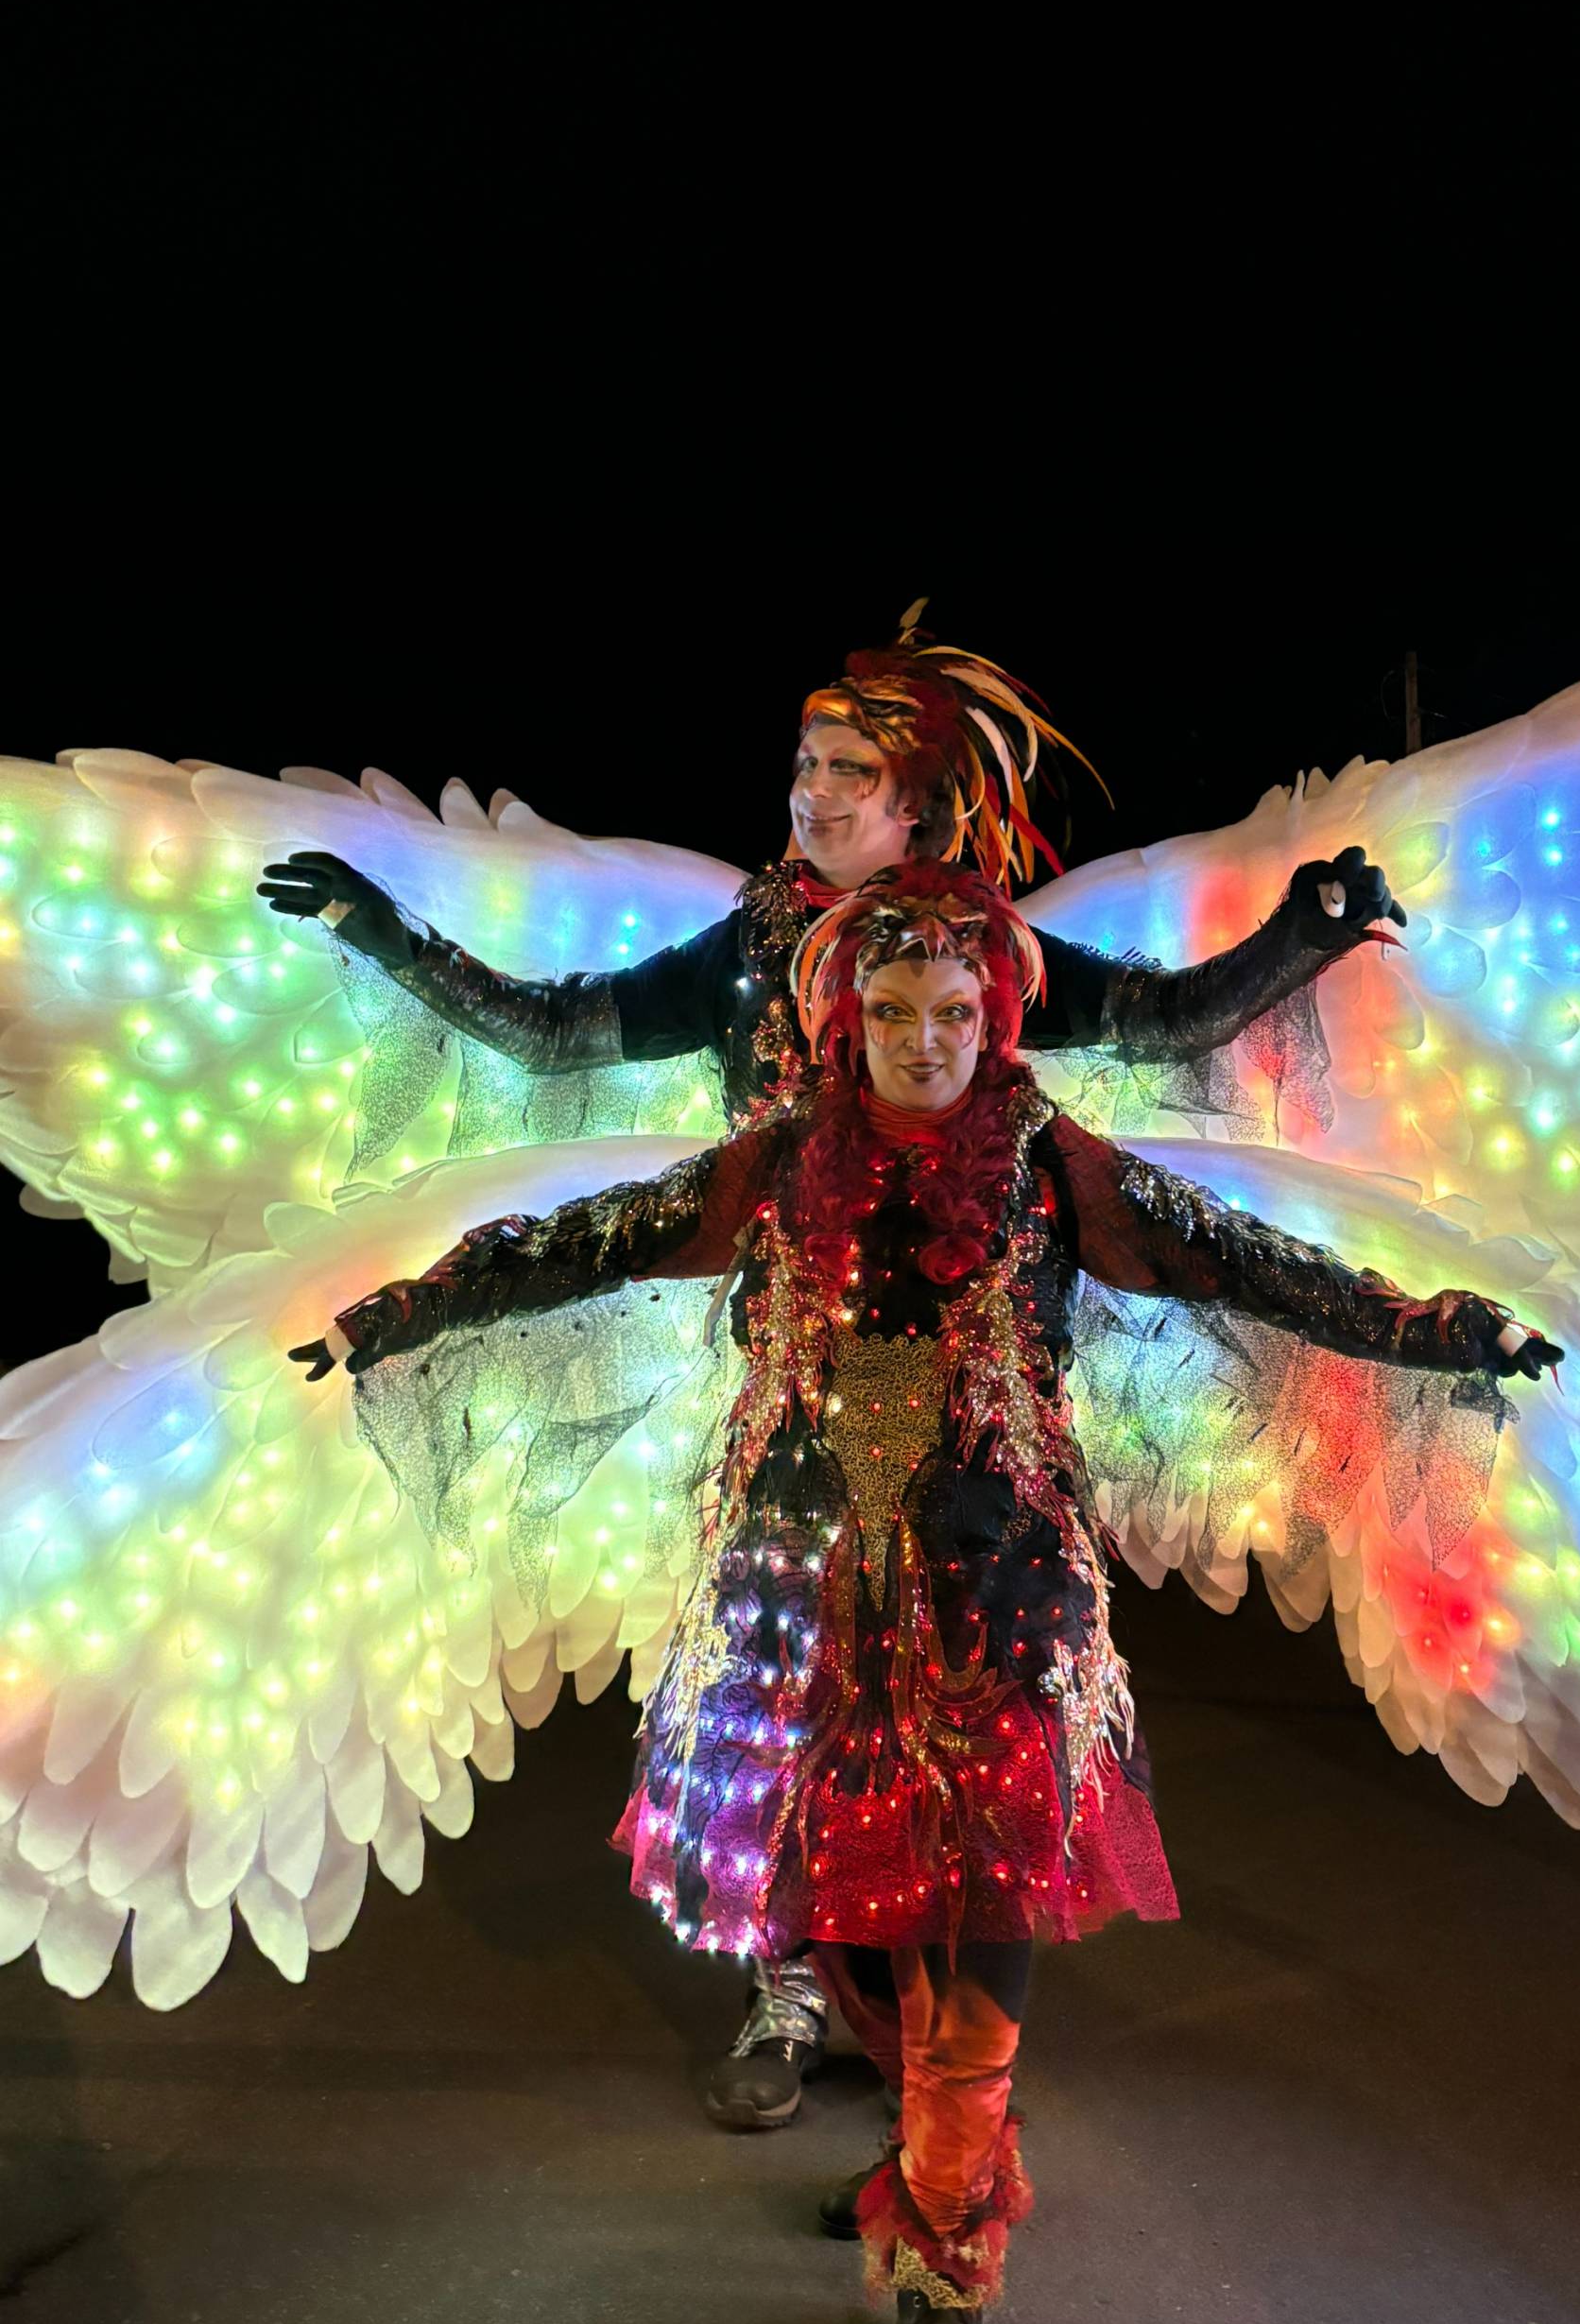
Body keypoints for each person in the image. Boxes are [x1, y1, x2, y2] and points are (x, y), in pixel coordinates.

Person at [301, 863, 1554, 2324]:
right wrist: (408, 1306)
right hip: (799, 1593)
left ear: (997, 1015)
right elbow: (590, 1240)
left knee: (979, 1921)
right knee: (846, 1924)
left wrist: (1430, 1327)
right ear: (842, 1019)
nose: (925, 1039)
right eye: (891, 1011)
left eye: (955, 1010)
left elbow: (1245, 1259)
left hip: (997, 1596)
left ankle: (947, 2254)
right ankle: (927, 2159)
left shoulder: (1048, 1162)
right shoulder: (774, 1164)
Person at [259, 612, 1409, 2131]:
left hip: (975, 1365)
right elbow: (553, 1035)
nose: (809, 793)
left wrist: (1301, 944)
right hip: (787, 1359)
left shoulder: (979, 956)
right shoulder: (753, 944)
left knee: (971, 1696)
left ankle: (941, 2035)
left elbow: (1155, 1013)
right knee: (782, 1680)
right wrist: (385, 936)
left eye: (847, 772)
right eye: (803, 763)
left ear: (920, 804)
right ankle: (792, 1989)